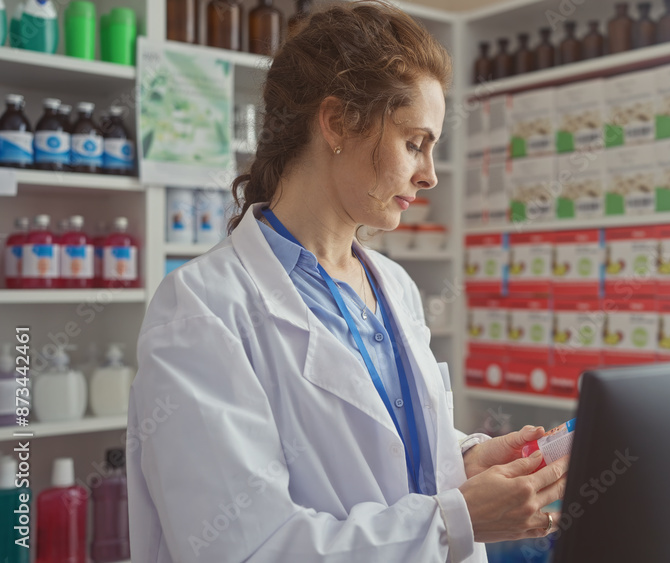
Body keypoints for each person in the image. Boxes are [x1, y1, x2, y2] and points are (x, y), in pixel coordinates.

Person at [126, 2, 567, 561]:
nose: (429, 174)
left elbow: (380, 445)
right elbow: (245, 548)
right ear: (336, 122)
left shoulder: (394, 286)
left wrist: (461, 463)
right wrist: (456, 518)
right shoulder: (202, 308)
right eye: (414, 143)